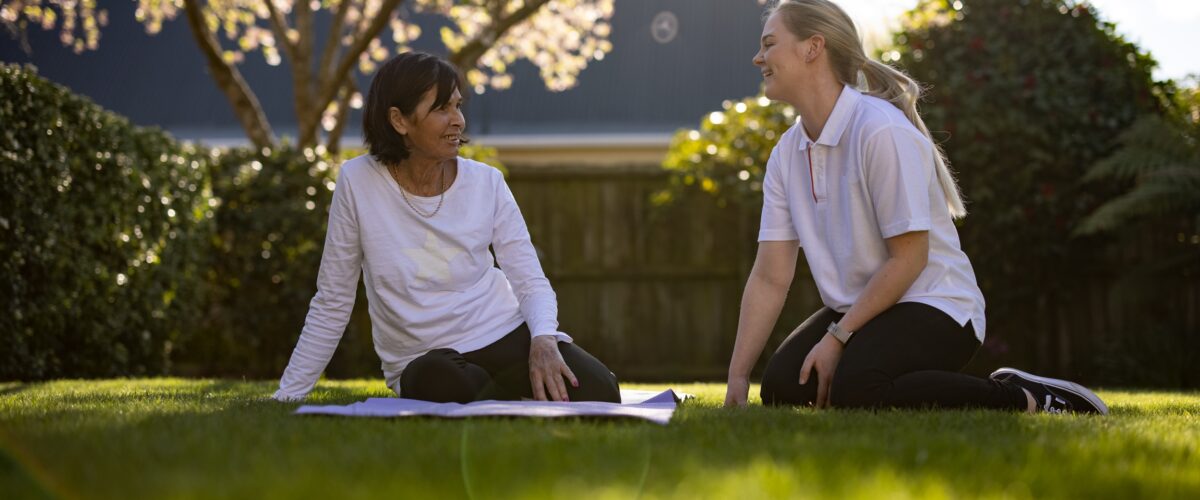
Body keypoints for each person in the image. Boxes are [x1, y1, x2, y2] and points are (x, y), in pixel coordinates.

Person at [724, 0, 1107, 414]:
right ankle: (876, 372)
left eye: (769, 44)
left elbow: (910, 259)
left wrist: (837, 338)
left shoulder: (880, 130)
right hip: (863, 312)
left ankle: (1029, 397)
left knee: (858, 388)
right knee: (783, 388)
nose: (757, 57)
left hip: (937, 305)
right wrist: (739, 377)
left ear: (812, 47)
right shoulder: (786, 154)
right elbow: (769, 277)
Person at [273, 52, 620, 404]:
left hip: (501, 331)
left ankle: (499, 397)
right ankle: (511, 398)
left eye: (457, 106)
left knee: (599, 389)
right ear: (399, 120)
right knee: (442, 382)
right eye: (442, 109)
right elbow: (333, 299)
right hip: (426, 358)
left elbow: (529, 280)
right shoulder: (358, 181)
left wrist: (543, 339)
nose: (458, 120)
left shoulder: (487, 182)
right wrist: (289, 394)